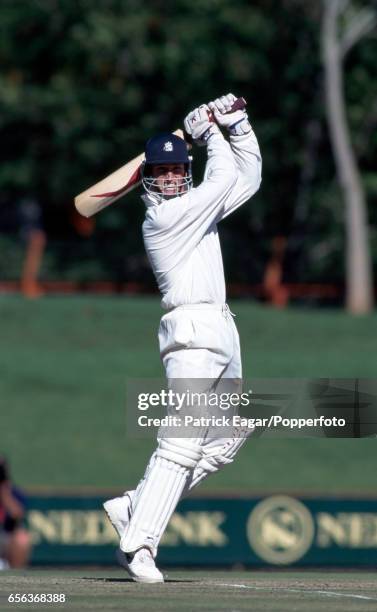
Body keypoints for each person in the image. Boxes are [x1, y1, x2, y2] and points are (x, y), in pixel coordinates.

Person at [103, 94, 262, 582]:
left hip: (223, 327)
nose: (172, 176)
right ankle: (139, 546)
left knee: (231, 432)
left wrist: (238, 126)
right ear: (149, 177)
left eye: (177, 168)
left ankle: (135, 504)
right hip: (191, 334)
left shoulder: (198, 207)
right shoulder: (163, 219)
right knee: (181, 440)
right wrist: (211, 132)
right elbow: (222, 179)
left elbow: (248, 178)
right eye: (163, 170)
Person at [0, 457, 32, 569]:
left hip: (5, 537)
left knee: (22, 538)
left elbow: (16, 514)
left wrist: (4, 491)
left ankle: (15, 577)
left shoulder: (14, 492)